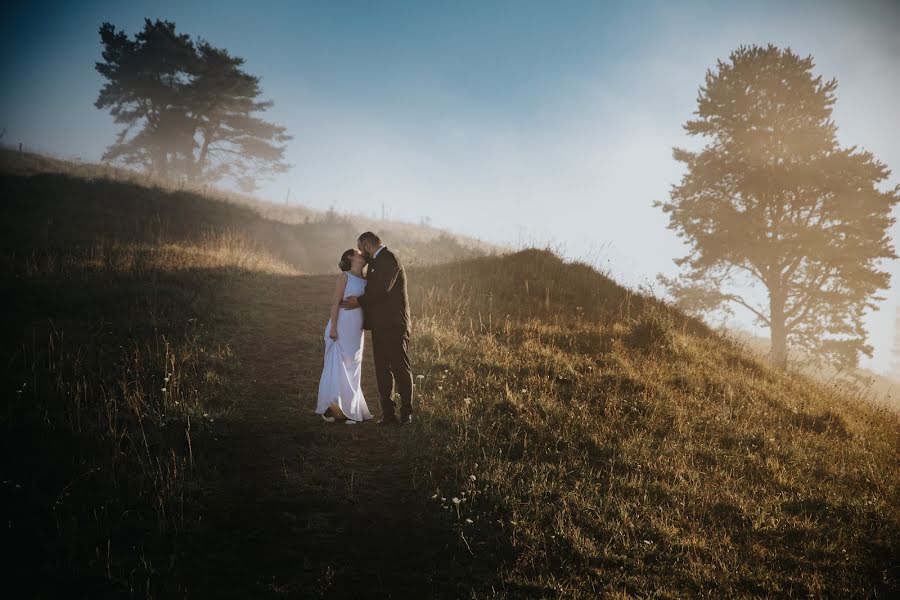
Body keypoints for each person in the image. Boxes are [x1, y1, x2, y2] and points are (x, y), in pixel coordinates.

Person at [341, 232, 413, 425]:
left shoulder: (388, 258)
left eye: (361, 249)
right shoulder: (375, 263)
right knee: (382, 369)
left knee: (399, 367)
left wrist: (359, 301)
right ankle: (388, 414)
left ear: (367, 246)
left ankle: (407, 413)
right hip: (380, 326)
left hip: (394, 325)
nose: (361, 254)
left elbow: (383, 288)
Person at [315, 249, 373, 424]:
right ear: (350, 257)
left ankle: (349, 409)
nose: (362, 253)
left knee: (352, 367)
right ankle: (335, 409)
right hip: (340, 327)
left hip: (356, 331)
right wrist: (333, 328)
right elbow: (335, 303)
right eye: (358, 252)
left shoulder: (368, 280)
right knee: (336, 367)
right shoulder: (344, 277)